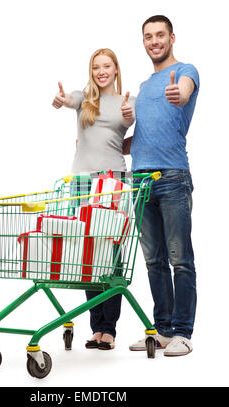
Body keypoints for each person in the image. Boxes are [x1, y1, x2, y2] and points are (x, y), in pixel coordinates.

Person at [124, 15, 199, 356]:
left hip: (172, 178)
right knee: (153, 261)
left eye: (159, 35)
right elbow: (141, 137)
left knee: (179, 259)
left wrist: (178, 94)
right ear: (143, 42)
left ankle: (183, 332)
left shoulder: (185, 72)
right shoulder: (142, 87)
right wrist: (101, 141)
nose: (154, 41)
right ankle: (164, 330)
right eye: (148, 36)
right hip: (139, 181)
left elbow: (182, 94)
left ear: (171, 37)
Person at [52, 48, 135, 350]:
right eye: (96, 67)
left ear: (116, 69)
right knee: (88, 252)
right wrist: (61, 101)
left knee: (110, 250)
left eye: (107, 66)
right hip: (82, 182)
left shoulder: (129, 103)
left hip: (112, 181)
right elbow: (67, 100)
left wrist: (129, 119)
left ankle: (108, 328)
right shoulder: (84, 99)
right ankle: (95, 327)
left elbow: (140, 136)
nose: (101, 72)